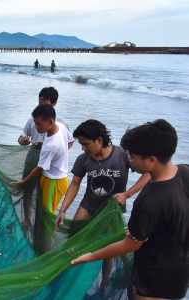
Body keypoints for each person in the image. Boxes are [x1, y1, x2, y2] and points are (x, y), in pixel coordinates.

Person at [71, 119, 189, 300]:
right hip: (179, 274)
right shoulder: (184, 171)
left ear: (152, 160)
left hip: (151, 282)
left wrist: (91, 255)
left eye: (132, 156)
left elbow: (131, 244)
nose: (129, 160)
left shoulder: (149, 202)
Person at [55, 119, 150, 229]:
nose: (83, 148)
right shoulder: (83, 159)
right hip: (89, 205)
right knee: (74, 234)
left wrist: (127, 194)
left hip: (113, 207)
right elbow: (75, 184)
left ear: (99, 140)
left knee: (110, 241)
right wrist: (62, 210)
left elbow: (148, 174)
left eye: (86, 144)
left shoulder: (123, 155)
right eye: (81, 145)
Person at [18, 87, 73, 225]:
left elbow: (69, 142)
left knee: (44, 195)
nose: (41, 106)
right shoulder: (33, 119)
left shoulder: (60, 122)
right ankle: (27, 219)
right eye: (39, 102)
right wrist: (23, 141)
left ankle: (40, 222)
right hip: (33, 155)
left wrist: (56, 153)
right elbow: (21, 137)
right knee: (28, 189)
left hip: (48, 161)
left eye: (45, 104)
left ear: (54, 104)